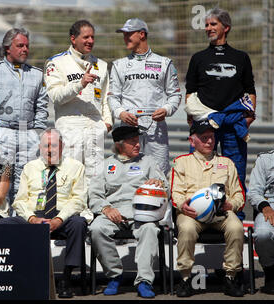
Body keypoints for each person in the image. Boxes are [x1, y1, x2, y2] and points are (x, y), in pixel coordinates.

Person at [185, 8, 256, 220]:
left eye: (213, 24)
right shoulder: (198, 58)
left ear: (226, 28)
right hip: (205, 125)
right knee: (196, 172)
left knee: (236, 172)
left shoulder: (241, 57)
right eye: (206, 25)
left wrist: (249, 118)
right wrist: (194, 121)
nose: (208, 28)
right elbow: (190, 92)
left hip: (233, 125)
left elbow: (250, 90)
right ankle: (195, 216)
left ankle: (237, 217)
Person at [0, 128, 87, 298]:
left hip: (62, 218)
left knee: (79, 223)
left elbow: (78, 200)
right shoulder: (30, 167)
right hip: (35, 218)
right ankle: (18, 275)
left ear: (62, 146)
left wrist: (59, 219)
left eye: (54, 145)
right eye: (46, 146)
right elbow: (20, 200)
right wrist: (32, 219)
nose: (50, 150)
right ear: (39, 148)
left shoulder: (76, 167)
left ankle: (66, 279)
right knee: (5, 224)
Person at [0, 28, 49, 207]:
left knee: (27, 182)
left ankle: (22, 222)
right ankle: (0, 222)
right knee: (0, 182)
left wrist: (37, 132)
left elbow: (42, 105)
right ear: (7, 48)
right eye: (20, 45)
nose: (25, 49)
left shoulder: (36, 74)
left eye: (27, 46)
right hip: (1, 132)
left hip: (27, 133)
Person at [43, 20, 112, 220]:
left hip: (94, 128)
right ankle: (69, 220)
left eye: (93, 37)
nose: (90, 41)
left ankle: (93, 219)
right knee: (70, 175)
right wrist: (79, 84)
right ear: (73, 39)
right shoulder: (57, 62)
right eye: (86, 37)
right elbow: (55, 96)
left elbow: (105, 98)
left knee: (95, 176)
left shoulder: (102, 65)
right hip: (70, 125)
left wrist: (107, 123)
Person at [88, 126, 168, 298]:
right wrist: (106, 208)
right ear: (119, 145)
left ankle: (144, 281)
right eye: (132, 142)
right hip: (113, 212)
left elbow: (165, 185)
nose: (137, 145)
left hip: (143, 212)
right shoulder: (106, 165)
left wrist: (159, 183)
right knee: (96, 229)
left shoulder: (148, 162)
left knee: (149, 229)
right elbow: (94, 194)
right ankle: (115, 275)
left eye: (137, 141)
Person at [170, 120, 246, 297]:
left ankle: (230, 276)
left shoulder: (226, 163)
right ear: (192, 141)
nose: (209, 141)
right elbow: (176, 193)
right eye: (204, 138)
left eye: (211, 137)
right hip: (192, 214)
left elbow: (239, 195)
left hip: (221, 213)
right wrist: (183, 205)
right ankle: (186, 278)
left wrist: (231, 205)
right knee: (187, 229)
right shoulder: (181, 162)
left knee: (236, 228)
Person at [109, 18, 181, 176]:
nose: (125, 38)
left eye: (129, 34)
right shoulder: (119, 65)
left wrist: (166, 110)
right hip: (128, 126)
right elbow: (112, 97)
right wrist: (121, 113)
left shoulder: (164, 63)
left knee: (159, 172)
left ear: (142, 34)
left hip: (156, 127)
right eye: (124, 34)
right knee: (128, 173)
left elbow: (175, 94)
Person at [247, 150, 274, 294]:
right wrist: (265, 207)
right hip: (269, 205)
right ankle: (270, 272)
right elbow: (254, 191)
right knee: (263, 234)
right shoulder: (265, 159)